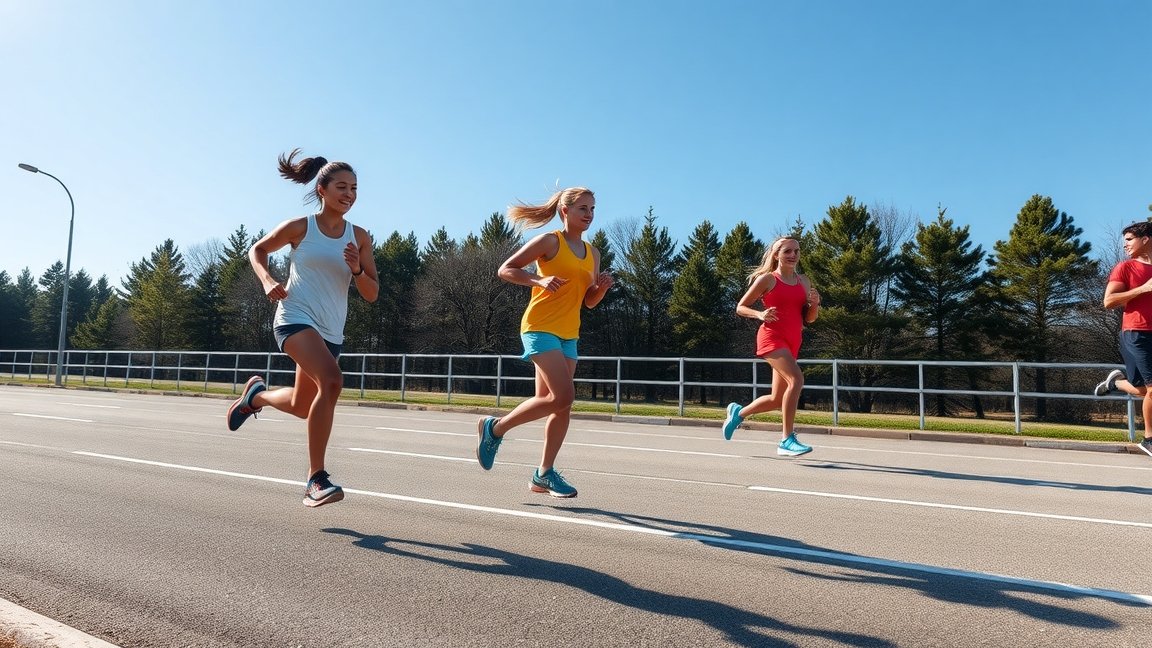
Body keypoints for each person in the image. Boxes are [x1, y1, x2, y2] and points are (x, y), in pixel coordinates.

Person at [226, 149, 379, 506]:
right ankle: (316, 479)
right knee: (333, 381)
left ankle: (256, 397)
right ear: (322, 189)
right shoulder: (301, 227)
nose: (350, 194)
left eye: (354, 188)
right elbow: (257, 250)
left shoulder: (360, 237)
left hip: (331, 330)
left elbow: (371, 294)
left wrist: (357, 269)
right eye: (342, 187)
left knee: (300, 404)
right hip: (294, 318)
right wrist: (267, 280)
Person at [475, 187, 613, 498]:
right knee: (563, 395)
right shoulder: (551, 241)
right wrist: (538, 280)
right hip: (539, 326)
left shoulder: (594, 253)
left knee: (559, 404)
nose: (589, 214)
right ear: (566, 212)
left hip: (569, 332)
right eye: (582, 208)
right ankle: (494, 429)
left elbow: (588, 302)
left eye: (592, 208)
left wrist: (601, 289)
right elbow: (506, 269)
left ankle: (543, 474)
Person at [721, 236, 821, 455]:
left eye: (796, 251)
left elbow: (809, 319)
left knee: (777, 398)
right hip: (771, 338)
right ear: (777, 254)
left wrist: (815, 305)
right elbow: (740, 307)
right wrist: (760, 314)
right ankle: (786, 440)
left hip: (793, 340)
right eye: (787, 251)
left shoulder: (804, 281)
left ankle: (738, 413)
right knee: (797, 379)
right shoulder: (768, 280)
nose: (793, 255)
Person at [1092, 220, 1152, 458]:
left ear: (1145, 238)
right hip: (1136, 332)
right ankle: (1149, 441)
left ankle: (1114, 384)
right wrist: (1142, 289)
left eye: (1129, 239)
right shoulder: (1125, 268)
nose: (1125, 245)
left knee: (1141, 390)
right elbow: (1109, 301)